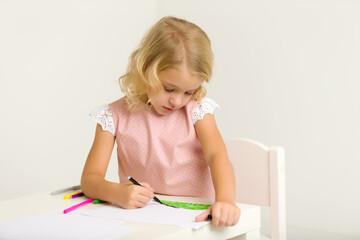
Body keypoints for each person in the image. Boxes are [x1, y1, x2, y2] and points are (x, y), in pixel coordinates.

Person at [81, 16, 240, 228]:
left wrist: (226, 201)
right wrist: (116, 193)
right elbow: (90, 179)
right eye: (169, 89)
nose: (177, 101)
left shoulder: (197, 111)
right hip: (143, 222)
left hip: (195, 221)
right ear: (145, 68)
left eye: (189, 92)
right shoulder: (113, 116)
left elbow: (217, 155)